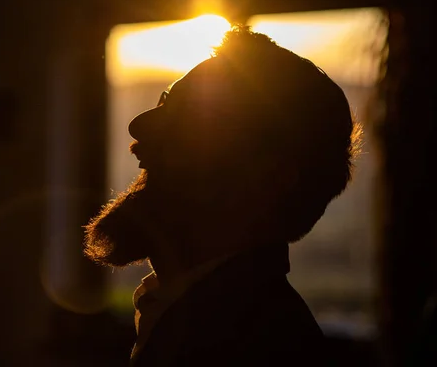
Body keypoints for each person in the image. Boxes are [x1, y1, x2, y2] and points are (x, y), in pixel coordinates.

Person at [84, 25, 362, 366]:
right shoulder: (196, 312)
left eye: (192, 119)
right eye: (164, 102)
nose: (140, 126)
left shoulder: (258, 345)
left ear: (269, 179)